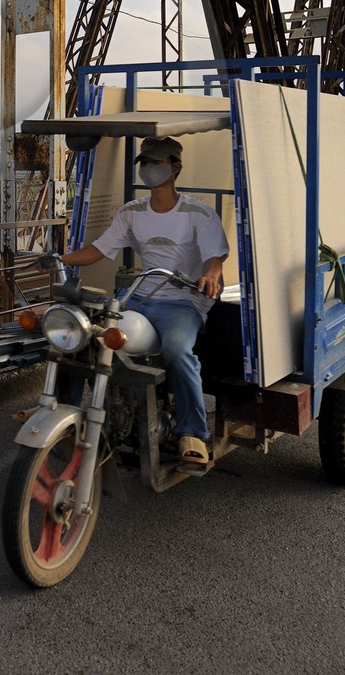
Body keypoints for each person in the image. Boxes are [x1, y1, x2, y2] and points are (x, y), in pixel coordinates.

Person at [58, 136, 228, 469]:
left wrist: (209, 276)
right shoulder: (132, 211)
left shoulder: (199, 213)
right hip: (139, 296)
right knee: (85, 333)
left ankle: (192, 432)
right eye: (145, 163)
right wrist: (60, 258)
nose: (150, 169)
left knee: (178, 351)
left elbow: (215, 256)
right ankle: (66, 412)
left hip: (182, 299)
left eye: (157, 162)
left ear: (175, 167)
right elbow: (100, 248)